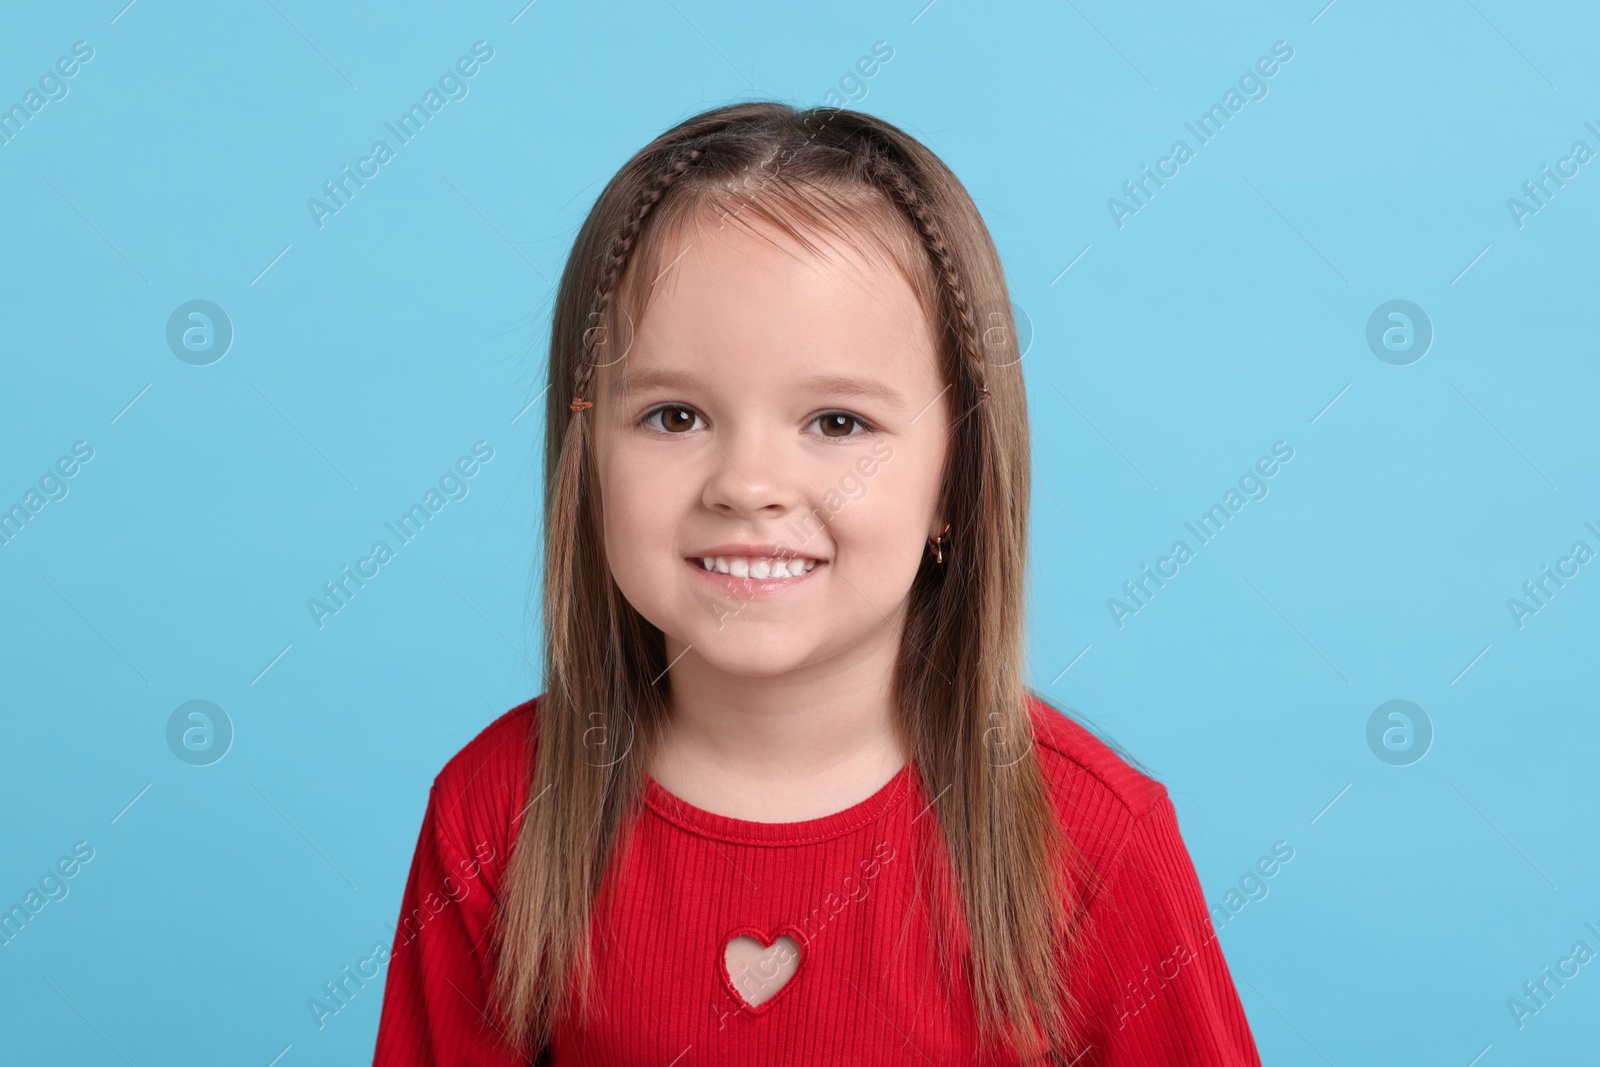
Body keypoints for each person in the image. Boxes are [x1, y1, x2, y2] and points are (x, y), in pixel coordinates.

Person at [370, 101, 1261, 1066]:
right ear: (586, 456)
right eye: (674, 416)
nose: (748, 485)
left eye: (837, 423)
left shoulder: (1097, 845)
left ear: (956, 481)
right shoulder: (499, 811)